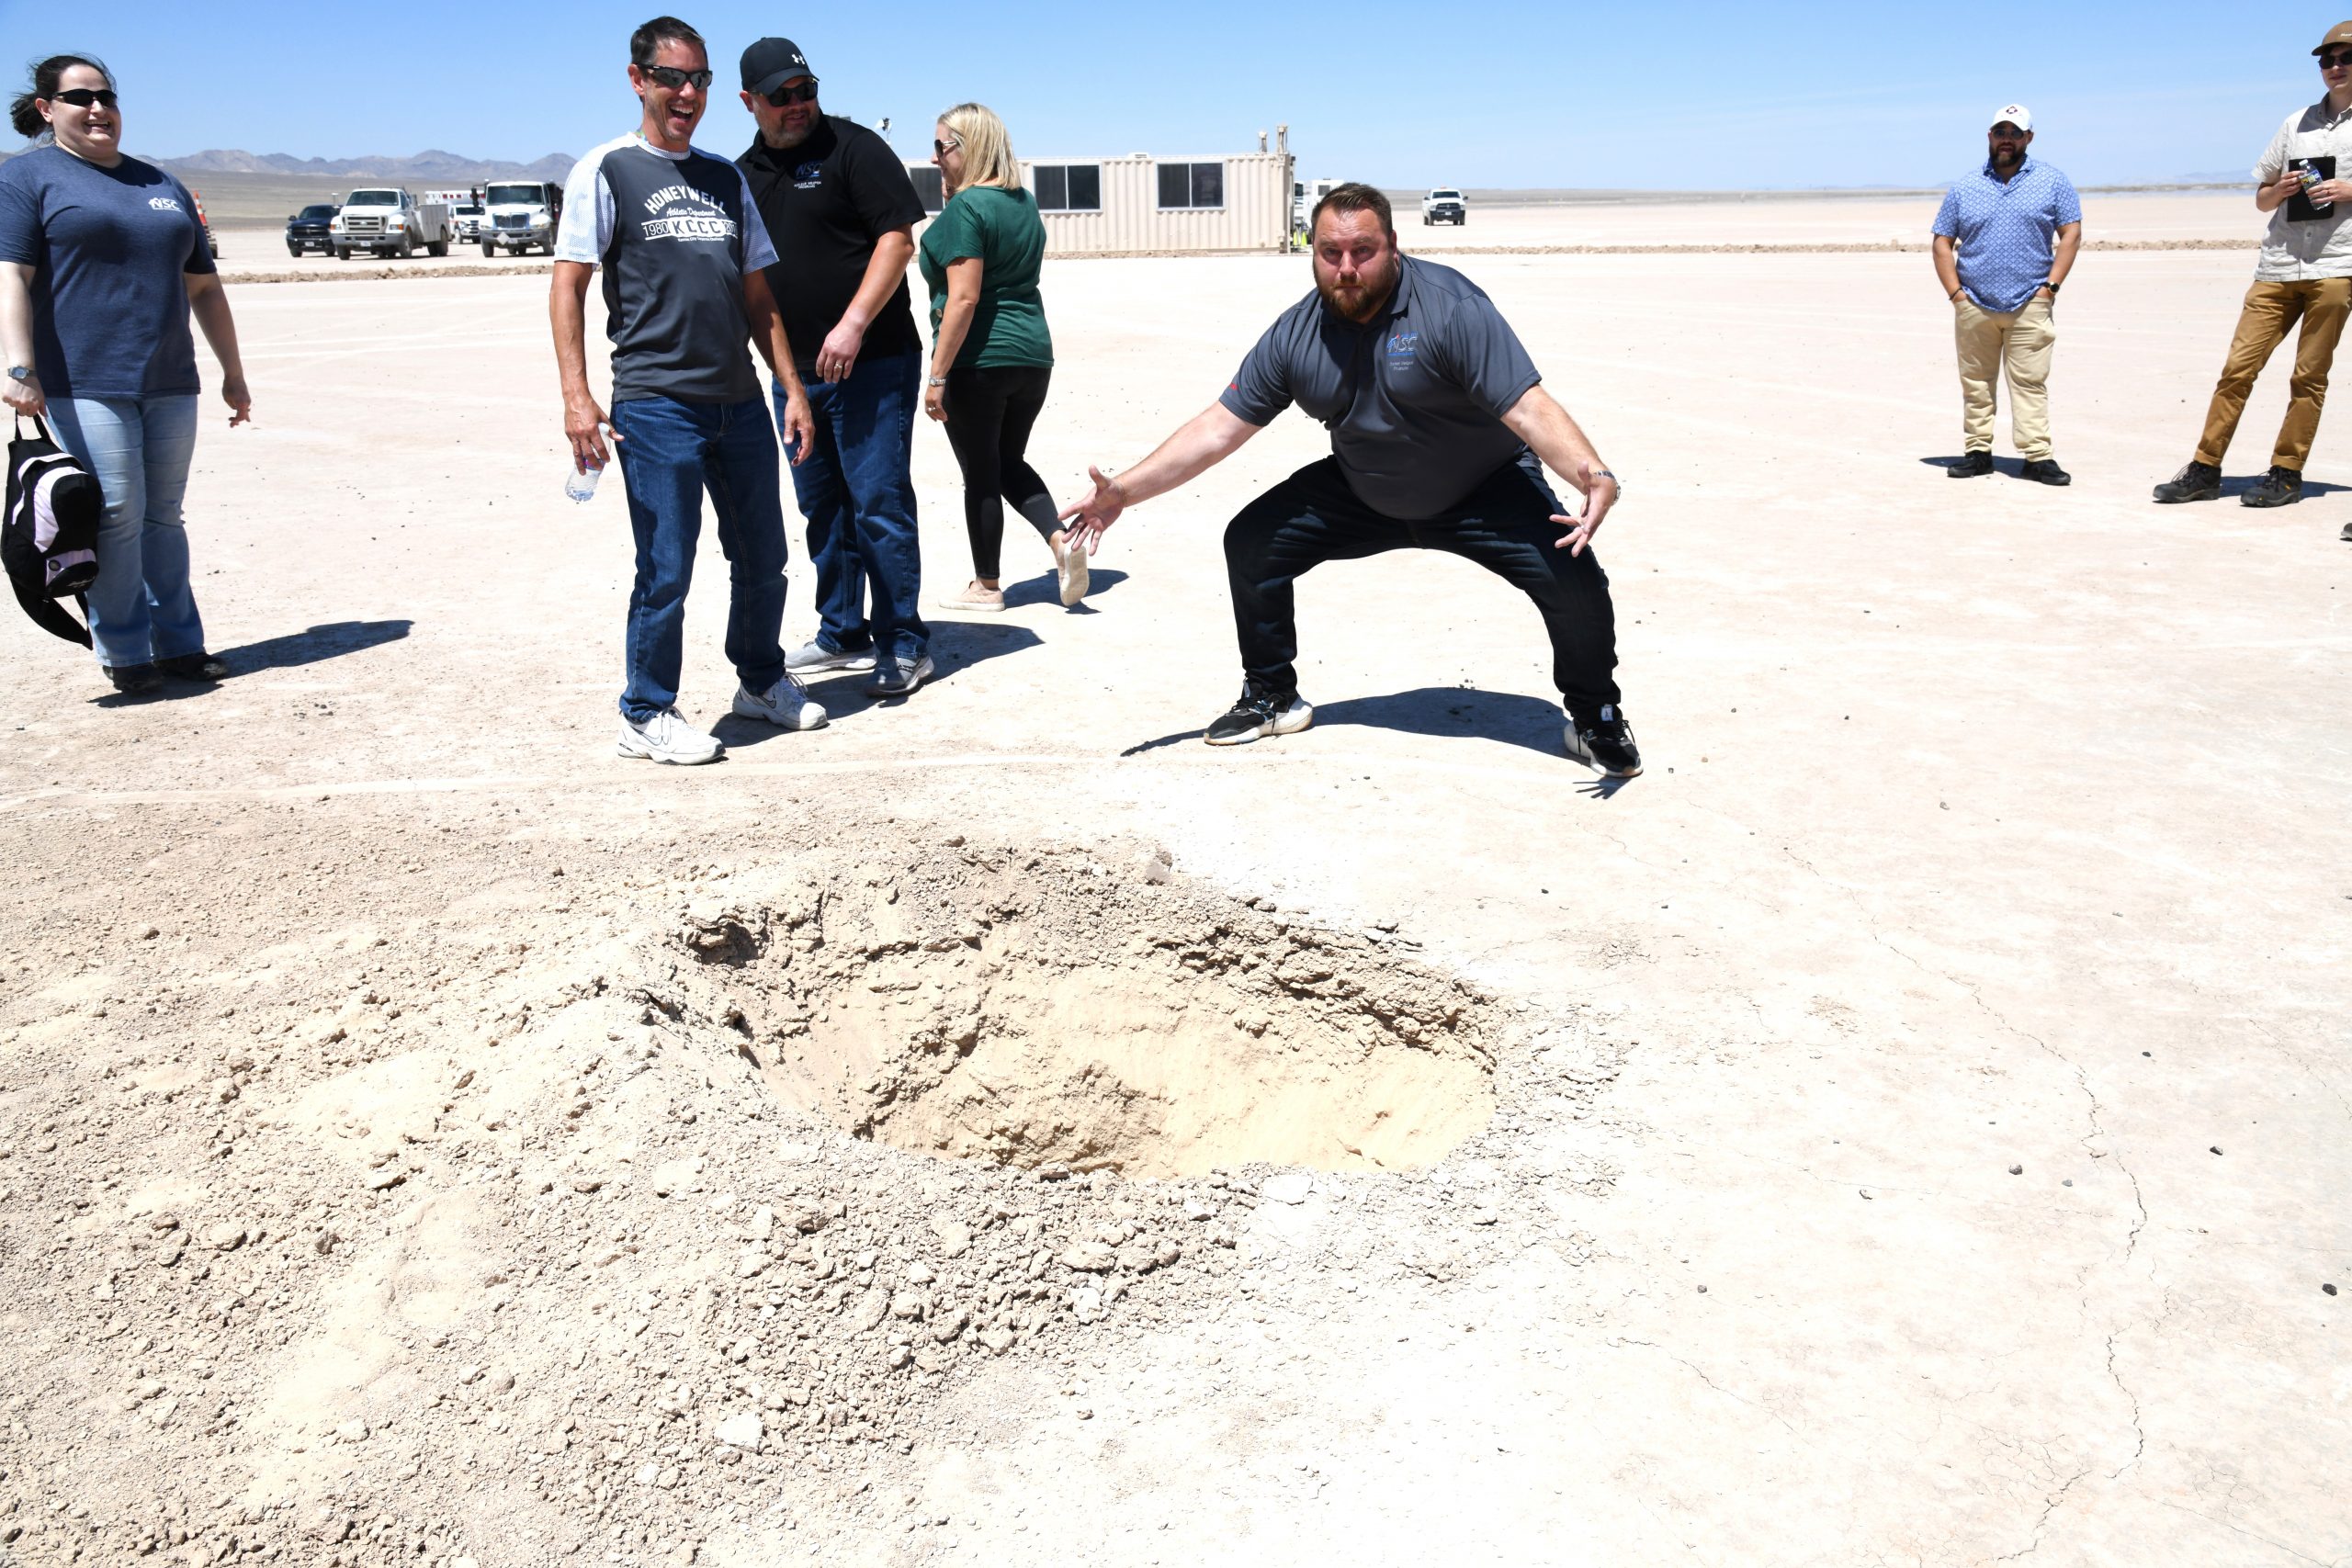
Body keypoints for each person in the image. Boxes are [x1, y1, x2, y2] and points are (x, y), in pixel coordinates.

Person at [1057, 184, 1639, 775]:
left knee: (1574, 576)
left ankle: (1595, 715)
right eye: (1330, 252)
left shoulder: (1451, 307)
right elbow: (1217, 429)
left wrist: (1592, 472)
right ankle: (1272, 696)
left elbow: (1526, 406)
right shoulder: (1296, 333)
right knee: (1254, 541)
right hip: (1366, 487)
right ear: (1312, 251)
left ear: (1393, 246)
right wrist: (1124, 491)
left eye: (1363, 251)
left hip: (1483, 487)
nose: (1346, 268)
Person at [550, 16, 824, 765]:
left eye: (698, 79)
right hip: (655, 402)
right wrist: (577, 397)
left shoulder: (724, 177)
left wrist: (792, 389)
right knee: (667, 565)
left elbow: (759, 295)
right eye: (671, 78)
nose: (686, 93)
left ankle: (760, 681)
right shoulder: (607, 169)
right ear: (638, 79)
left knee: (763, 556)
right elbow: (568, 286)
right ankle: (645, 711)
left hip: (737, 402)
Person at [0, 53, 251, 696]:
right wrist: (19, 367)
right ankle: (125, 650)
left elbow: (204, 287)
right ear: (46, 109)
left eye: (106, 97)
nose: (97, 109)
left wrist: (233, 371)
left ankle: (181, 645)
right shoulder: (27, 178)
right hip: (83, 380)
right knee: (116, 513)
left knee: (164, 516)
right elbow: (12, 277)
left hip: (169, 379)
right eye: (79, 97)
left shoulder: (160, 183)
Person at [735, 38, 933, 697]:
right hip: (795, 375)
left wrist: (853, 324)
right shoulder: (742, 175)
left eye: (806, 90)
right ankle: (843, 629)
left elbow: (897, 240)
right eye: (781, 96)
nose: (798, 104)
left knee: (878, 502)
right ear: (750, 101)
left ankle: (903, 641)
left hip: (873, 362)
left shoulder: (854, 149)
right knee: (821, 504)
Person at [2156, 22, 2352, 512]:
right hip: (2278, 265)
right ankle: (2204, 468)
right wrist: (2279, 190)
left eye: (2345, 58)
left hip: (2336, 266)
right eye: (2327, 60)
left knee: (2309, 377)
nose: (2335, 67)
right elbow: (2262, 198)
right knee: (2236, 370)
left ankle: (2286, 473)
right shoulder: (2296, 123)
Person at [921, 102, 1089, 617]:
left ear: (969, 147)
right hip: (1032, 355)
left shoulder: (967, 209)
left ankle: (987, 585)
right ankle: (1061, 542)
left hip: (979, 360)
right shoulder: (1023, 202)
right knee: (1006, 462)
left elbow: (963, 298)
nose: (934, 158)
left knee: (981, 473)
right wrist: (953, 197)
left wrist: (937, 376)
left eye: (942, 147)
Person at [1931, 104, 2081, 485]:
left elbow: (2071, 233)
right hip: (1974, 304)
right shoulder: (1966, 186)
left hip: (2031, 301)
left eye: (2015, 133)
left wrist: (2050, 287)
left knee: (2030, 382)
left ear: (2029, 138)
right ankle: (1977, 453)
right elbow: (1942, 241)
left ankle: (2037, 457)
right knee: (1976, 383)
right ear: (1990, 136)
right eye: (2001, 132)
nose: (2007, 140)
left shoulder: (2052, 181)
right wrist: (1956, 295)